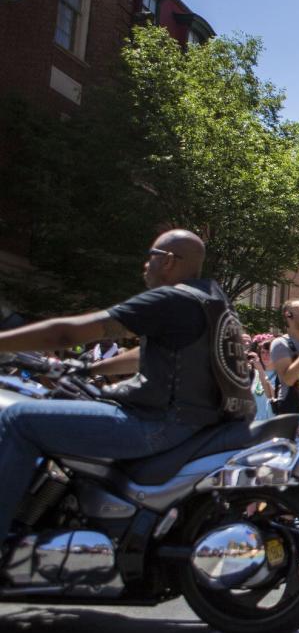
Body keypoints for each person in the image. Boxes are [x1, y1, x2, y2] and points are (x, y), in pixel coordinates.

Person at [0, 230, 253, 542]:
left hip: (156, 424)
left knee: (18, 418)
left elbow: (66, 334)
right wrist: (93, 367)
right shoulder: (212, 300)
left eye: (152, 257)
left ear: (170, 261)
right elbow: (147, 354)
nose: (145, 265)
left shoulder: (170, 299)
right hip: (193, 423)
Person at [248, 333, 277, 421]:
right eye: (263, 352)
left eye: (269, 352)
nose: (265, 355)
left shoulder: (280, 374)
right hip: (255, 424)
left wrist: (260, 370)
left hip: (272, 424)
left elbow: (273, 396)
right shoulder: (255, 373)